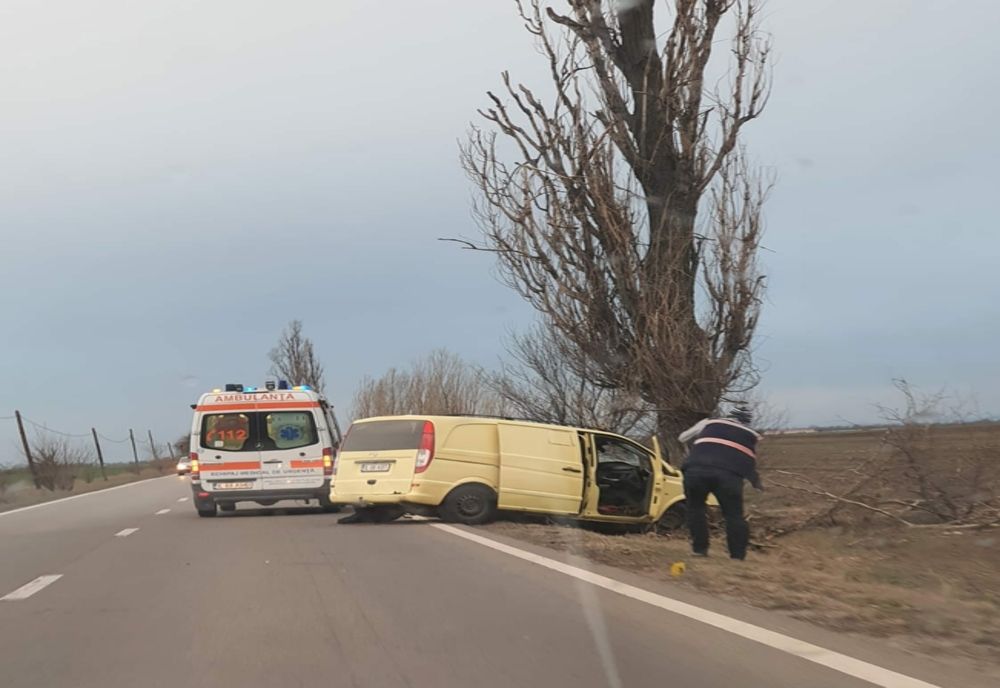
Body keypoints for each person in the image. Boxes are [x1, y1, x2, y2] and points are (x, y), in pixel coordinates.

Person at [679, 406, 763, 560]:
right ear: (747, 422)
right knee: (734, 515)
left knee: (695, 509)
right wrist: (755, 481)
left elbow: (682, 437)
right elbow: (747, 459)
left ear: (728, 416)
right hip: (728, 475)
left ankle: (699, 550)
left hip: (696, 470)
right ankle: (737, 556)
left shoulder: (709, 422)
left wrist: (695, 449)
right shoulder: (750, 435)